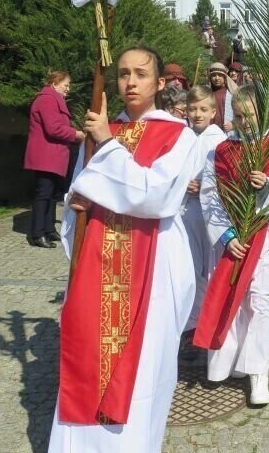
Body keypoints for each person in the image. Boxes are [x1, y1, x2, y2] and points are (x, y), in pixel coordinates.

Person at [48, 46, 199, 452]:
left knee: (144, 368)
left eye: (141, 74)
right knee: (86, 357)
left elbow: (156, 197)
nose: (130, 82)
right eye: (123, 74)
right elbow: (80, 192)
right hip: (99, 263)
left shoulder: (179, 135)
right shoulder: (103, 130)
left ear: (159, 83)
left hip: (154, 264)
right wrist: (75, 201)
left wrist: (105, 143)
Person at [196, 85, 269, 404]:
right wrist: (225, 235)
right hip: (232, 238)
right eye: (238, 116)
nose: (244, 122)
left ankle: (257, 372)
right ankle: (229, 362)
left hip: (267, 234)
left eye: (249, 115)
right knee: (232, 297)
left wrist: (267, 186)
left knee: (259, 298)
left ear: (262, 113)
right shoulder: (220, 151)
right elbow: (209, 196)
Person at [182, 85, 227, 333]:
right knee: (189, 266)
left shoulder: (219, 140)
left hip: (211, 213)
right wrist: (181, 185)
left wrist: (205, 187)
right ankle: (190, 324)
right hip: (184, 211)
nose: (197, 114)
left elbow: (226, 175)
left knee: (209, 267)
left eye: (203, 109)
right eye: (192, 109)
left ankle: (208, 322)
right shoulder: (181, 137)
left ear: (213, 112)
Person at [24, 71, 85, 248]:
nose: (68, 89)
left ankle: (48, 229)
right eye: (66, 85)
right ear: (54, 84)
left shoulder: (53, 99)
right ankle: (37, 234)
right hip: (46, 155)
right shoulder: (48, 99)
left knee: (52, 195)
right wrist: (76, 134)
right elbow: (53, 128)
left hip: (53, 155)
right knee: (44, 194)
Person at [208, 62, 237, 133]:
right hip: (209, 132)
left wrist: (234, 124)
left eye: (220, 75)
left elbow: (242, 114)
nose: (217, 78)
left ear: (225, 77)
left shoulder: (232, 93)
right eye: (214, 75)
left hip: (227, 134)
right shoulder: (206, 93)